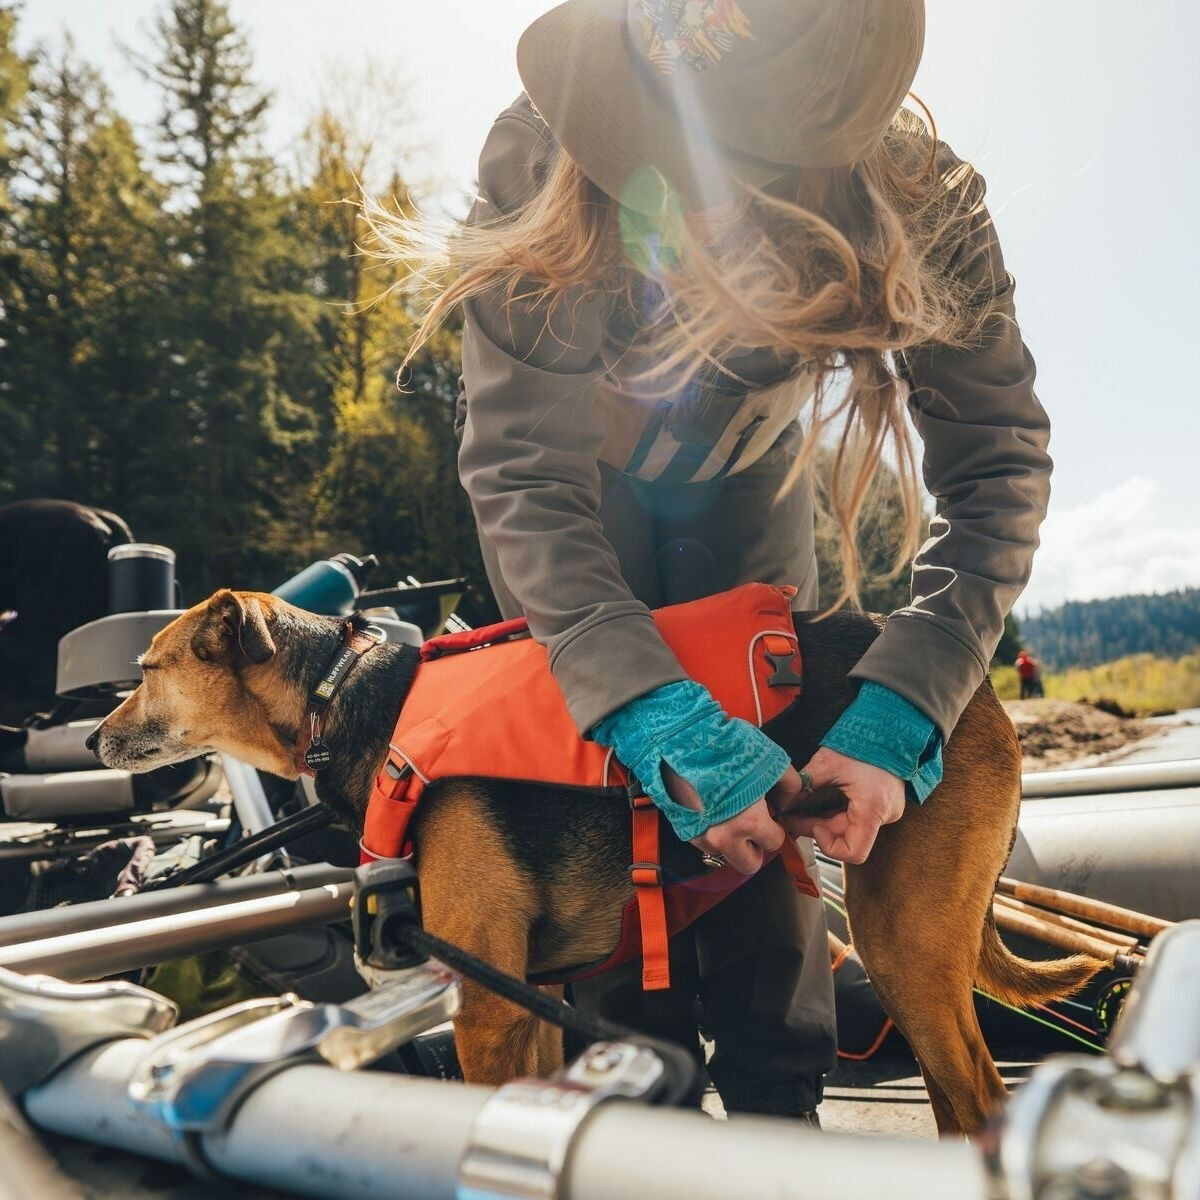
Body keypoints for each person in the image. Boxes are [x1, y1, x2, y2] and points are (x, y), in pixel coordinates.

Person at [373, 0, 1050, 1121]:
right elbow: (524, 477)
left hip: (749, 477)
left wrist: (909, 704)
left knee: (768, 796)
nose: (675, 196)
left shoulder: (928, 204)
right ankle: (642, 1107)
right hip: (576, 491)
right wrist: (639, 704)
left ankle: (782, 1101)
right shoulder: (542, 146)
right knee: (602, 785)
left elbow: (996, 469)